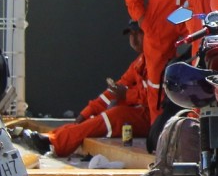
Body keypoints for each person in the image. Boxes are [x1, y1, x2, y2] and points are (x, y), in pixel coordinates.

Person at [15, 22, 150, 157]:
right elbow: (113, 92)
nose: (134, 39)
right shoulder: (140, 61)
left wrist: (127, 94)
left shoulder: (158, 61)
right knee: (108, 107)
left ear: (150, 34)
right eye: (131, 34)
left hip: (155, 119)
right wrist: (85, 114)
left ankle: (54, 144)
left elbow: (156, 98)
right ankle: (50, 138)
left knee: (117, 114)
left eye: (138, 33)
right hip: (143, 113)